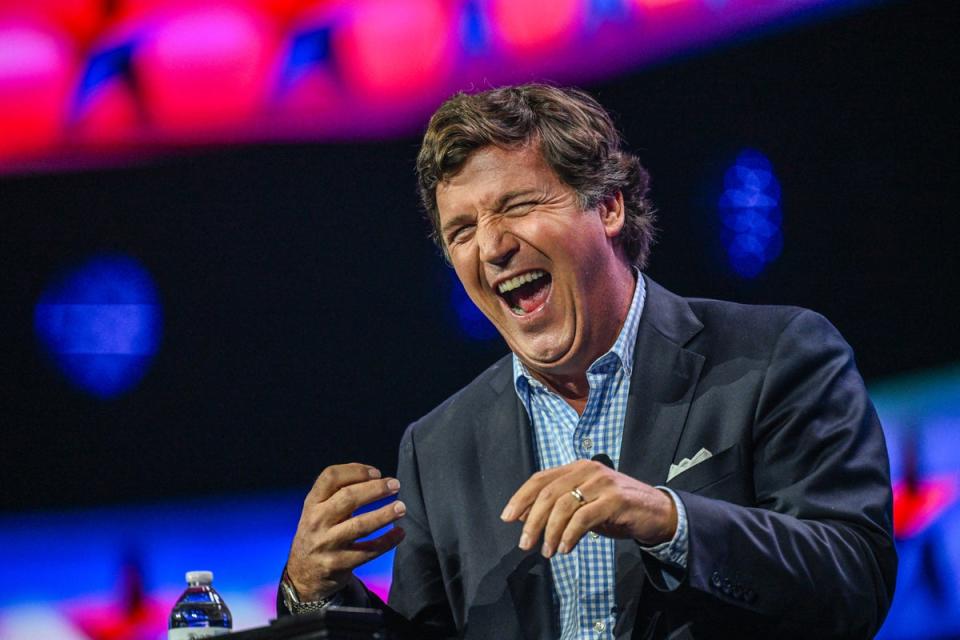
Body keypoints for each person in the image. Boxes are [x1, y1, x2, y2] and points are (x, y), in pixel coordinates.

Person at [278, 84, 897, 639]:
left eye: (517, 206)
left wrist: (669, 520)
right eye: (461, 231)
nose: (491, 247)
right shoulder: (439, 447)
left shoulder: (776, 355)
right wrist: (311, 595)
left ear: (608, 207)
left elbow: (854, 580)